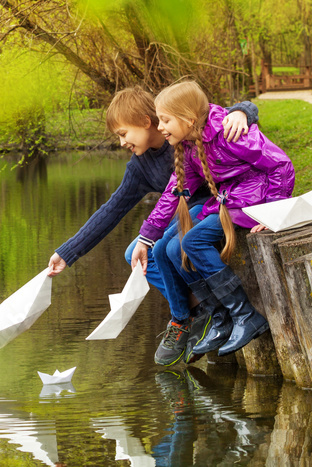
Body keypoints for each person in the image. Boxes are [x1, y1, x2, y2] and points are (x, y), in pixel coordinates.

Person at [46, 86, 259, 363]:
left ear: (146, 123)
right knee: (133, 255)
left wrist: (243, 112)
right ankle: (194, 313)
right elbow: (111, 210)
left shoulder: (179, 126)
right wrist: (68, 252)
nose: (122, 142)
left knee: (167, 247)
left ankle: (193, 314)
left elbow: (224, 115)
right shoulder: (140, 166)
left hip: (215, 204)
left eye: (123, 134)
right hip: (178, 214)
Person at [138, 80, 294, 364]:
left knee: (193, 241)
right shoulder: (189, 146)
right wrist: (147, 235)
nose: (160, 127)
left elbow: (281, 164)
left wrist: (274, 212)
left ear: (189, 119)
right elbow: (175, 191)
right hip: (229, 201)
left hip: (252, 200)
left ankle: (245, 315)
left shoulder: (230, 132)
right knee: (173, 249)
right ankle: (220, 317)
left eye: (165, 119)